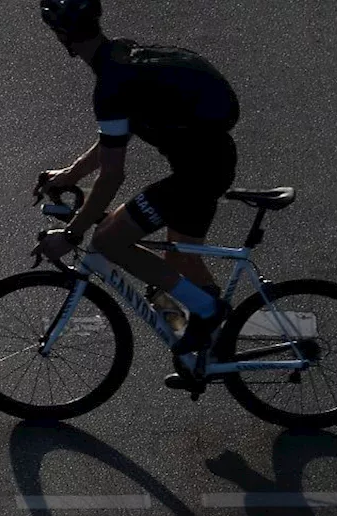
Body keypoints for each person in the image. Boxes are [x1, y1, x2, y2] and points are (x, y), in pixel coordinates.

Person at [33, 0, 241, 382]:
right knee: (181, 258)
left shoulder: (111, 85)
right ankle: (210, 344)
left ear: (64, 37)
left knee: (109, 239)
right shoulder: (119, 55)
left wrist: (72, 234)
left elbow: (113, 174)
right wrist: (69, 175)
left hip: (197, 174)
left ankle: (208, 311)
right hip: (209, 162)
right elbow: (111, 140)